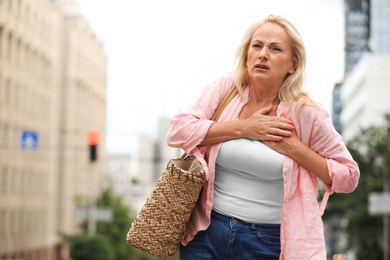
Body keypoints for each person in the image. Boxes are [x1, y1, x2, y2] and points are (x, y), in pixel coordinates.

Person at [166, 14, 360, 260]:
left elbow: (350, 176)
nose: (263, 54)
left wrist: (295, 148)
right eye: (257, 46)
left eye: (275, 48)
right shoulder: (226, 89)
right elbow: (177, 130)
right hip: (206, 234)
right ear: (247, 54)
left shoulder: (306, 113)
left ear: (292, 64)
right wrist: (246, 128)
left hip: (266, 243)